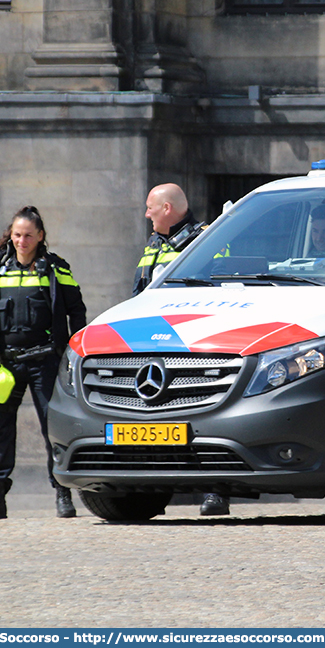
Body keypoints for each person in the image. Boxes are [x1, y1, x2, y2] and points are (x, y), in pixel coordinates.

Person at [0, 206, 87, 519]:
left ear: (40, 236)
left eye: (28, 235)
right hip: (6, 363)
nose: (21, 241)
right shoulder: (0, 269)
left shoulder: (55, 268)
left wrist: (74, 350)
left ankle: (62, 494)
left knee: (52, 427)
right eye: (17, 235)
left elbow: (76, 310)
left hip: (45, 361)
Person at [135, 183, 230, 517]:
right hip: (150, 343)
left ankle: (215, 491)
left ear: (166, 209)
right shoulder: (153, 244)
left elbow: (224, 287)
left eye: (150, 207)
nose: (146, 214)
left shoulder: (207, 237)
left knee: (201, 414)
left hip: (195, 342)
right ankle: (149, 490)